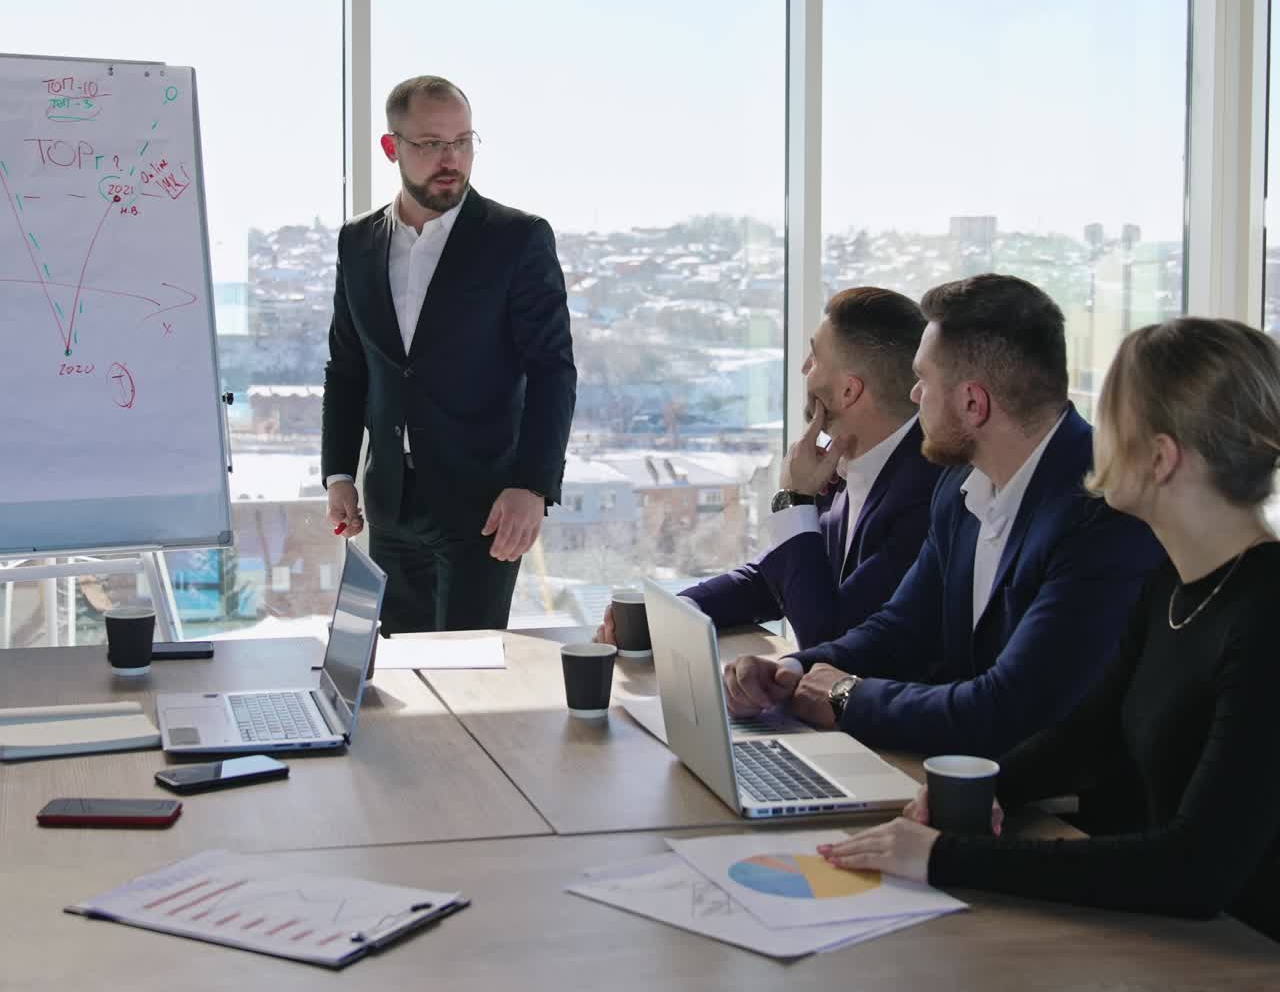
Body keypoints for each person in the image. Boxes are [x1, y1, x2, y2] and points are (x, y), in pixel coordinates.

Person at [817, 317, 1280, 941]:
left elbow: (1192, 868)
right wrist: (977, 791)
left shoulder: (1265, 615)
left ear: (1162, 458)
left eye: (1113, 420)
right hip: (1193, 949)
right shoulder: (1170, 586)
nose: (1092, 437)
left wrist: (940, 857)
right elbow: (1088, 736)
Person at [722, 273, 1164, 757]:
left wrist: (847, 696)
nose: (914, 397)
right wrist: (793, 672)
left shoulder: (1103, 512)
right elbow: (903, 628)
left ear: (973, 403)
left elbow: (1008, 707)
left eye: (923, 380)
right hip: (960, 776)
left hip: (1060, 810)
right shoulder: (958, 484)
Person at [322, 75, 576, 633]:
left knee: (470, 677)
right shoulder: (358, 243)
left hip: (486, 506)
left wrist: (533, 485)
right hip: (389, 502)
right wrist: (339, 473)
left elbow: (552, 371)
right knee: (397, 678)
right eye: (432, 144)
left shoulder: (518, 238)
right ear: (393, 148)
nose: (451, 158)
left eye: (463, 141)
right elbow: (347, 369)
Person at [595, 287, 941, 650]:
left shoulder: (926, 496)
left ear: (848, 392)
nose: (804, 367)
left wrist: (794, 500)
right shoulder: (843, 459)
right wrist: (672, 613)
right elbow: (775, 577)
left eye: (815, 356)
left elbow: (831, 638)